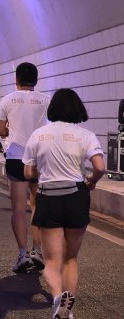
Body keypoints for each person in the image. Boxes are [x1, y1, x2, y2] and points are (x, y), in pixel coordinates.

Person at [23, 88, 105, 319]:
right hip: (76, 195)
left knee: (51, 262)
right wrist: (92, 181)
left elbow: (28, 172)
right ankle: (67, 311)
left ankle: (58, 299)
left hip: (49, 196)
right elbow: (100, 167)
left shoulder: (38, 135)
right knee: (70, 258)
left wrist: (43, 172)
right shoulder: (85, 135)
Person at [0, 62, 50, 272]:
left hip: (17, 157)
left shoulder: (8, 99)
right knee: (38, 205)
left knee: (18, 208)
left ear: (16, 80)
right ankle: (37, 250)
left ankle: (23, 253)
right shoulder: (46, 100)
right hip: (40, 157)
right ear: (36, 80)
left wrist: (10, 131)